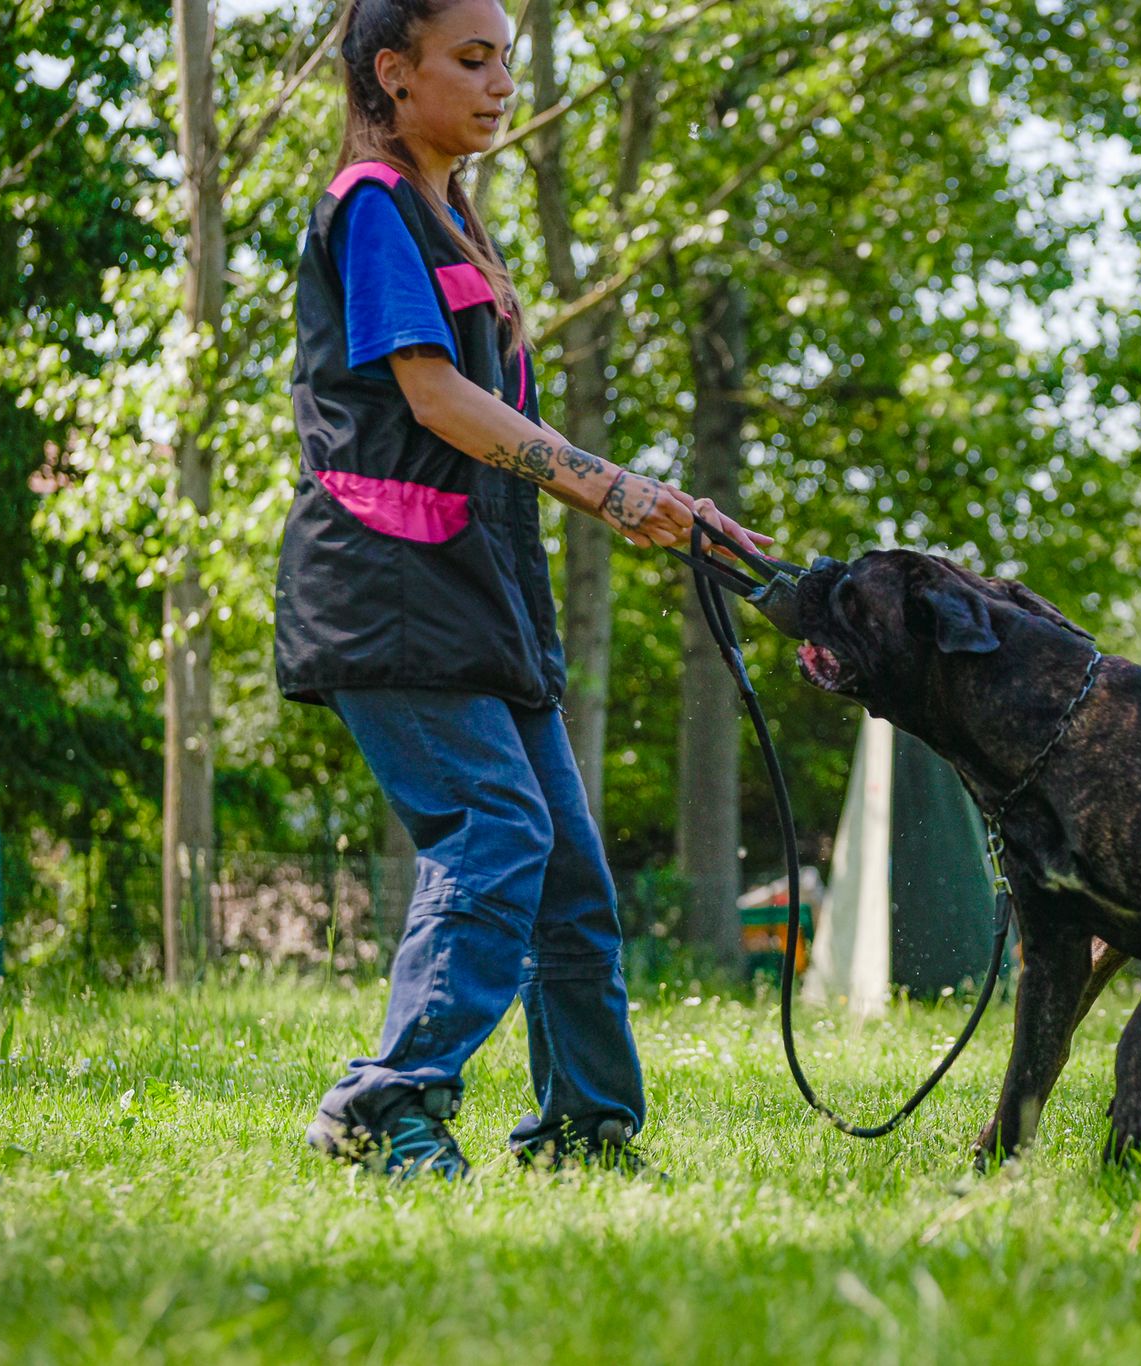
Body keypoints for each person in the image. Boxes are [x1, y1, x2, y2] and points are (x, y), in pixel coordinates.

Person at [278, 0, 770, 1179]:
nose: (502, 82)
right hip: (390, 587)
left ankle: (584, 1130)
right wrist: (606, 489)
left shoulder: (462, 226)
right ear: (394, 73)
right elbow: (435, 397)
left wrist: (673, 509)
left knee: (568, 873)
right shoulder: (371, 206)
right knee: (495, 828)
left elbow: (512, 428)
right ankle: (383, 1100)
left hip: (484, 591)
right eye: (471, 59)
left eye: (505, 58)